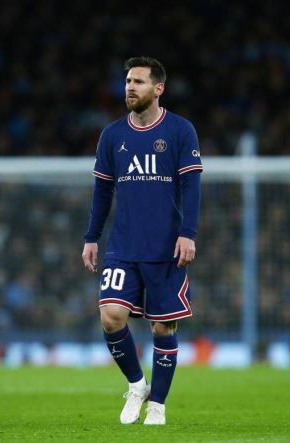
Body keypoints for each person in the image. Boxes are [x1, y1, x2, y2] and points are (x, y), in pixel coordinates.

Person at [82, 56, 202, 425]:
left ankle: (158, 406)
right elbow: (102, 192)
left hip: (165, 248)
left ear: (158, 88)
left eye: (138, 81)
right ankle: (137, 385)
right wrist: (91, 237)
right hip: (122, 246)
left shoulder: (181, 130)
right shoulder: (112, 135)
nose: (130, 87)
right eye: (128, 82)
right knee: (111, 316)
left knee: (163, 327)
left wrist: (188, 233)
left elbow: (191, 186)